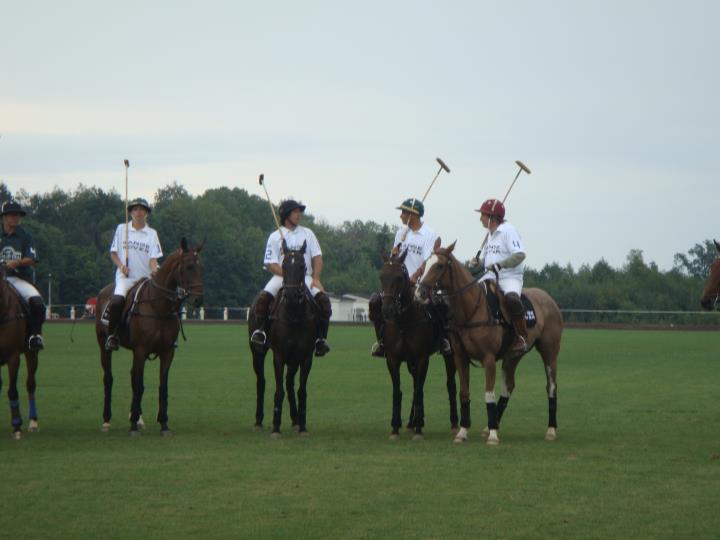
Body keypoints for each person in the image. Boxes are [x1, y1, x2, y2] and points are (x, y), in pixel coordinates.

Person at [369, 197, 451, 357]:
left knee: (438, 305)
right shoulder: (401, 233)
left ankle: (443, 340)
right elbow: (395, 261)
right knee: (376, 302)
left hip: (421, 282)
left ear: (413, 215)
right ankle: (382, 342)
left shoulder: (430, 235)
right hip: (398, 284)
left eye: (404, 212)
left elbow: (429, 260)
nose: (401, 215)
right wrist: (393, 254)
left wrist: (416, 275)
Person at [250, 199, 332, 357]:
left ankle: (320, 340)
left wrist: (316, 278)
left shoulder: (308, 233)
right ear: (286, 215)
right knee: (262, 300)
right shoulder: (275, 237)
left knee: (324, 302)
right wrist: (288, 274)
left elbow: (317, 258)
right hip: (281, 276)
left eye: (299, 211)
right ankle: (261, 332)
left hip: (305, 277)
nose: (298, 214)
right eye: (295, 212)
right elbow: (270, 263)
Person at [104, 198, 163, 351]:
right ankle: (112, 335)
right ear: (130, 213)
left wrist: (155, 270)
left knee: (165, 299)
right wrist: (121, 266)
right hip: (126, 278)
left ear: (146, 213)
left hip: (145, 280)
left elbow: (153, 260)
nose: (138, 212)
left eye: (142, 209)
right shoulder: (121, 229)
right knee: (117, 301)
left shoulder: (152, 234)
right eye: (135, 209)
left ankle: (167, 337)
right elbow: (113, 253)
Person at [474, 198, 528, 352]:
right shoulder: (490, 235)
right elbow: (489, 260)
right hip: (489, 277)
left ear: (491, 217)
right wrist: (479, 262)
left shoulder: (508, 230)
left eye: (483, 215)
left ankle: (521, 337)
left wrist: (500, 265)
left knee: (512, 299)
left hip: (509, 277)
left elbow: (520, 255)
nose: (480, 218)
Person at [0, 200, 46, 351]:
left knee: (38, 303)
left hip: (18, 279)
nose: (16, 217)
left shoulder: (25, 236)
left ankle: (34, 336)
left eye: (18, 215)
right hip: (0, 279)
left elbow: (32, 259)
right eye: (12, 215)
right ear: (4, 217)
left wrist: (17, 262)